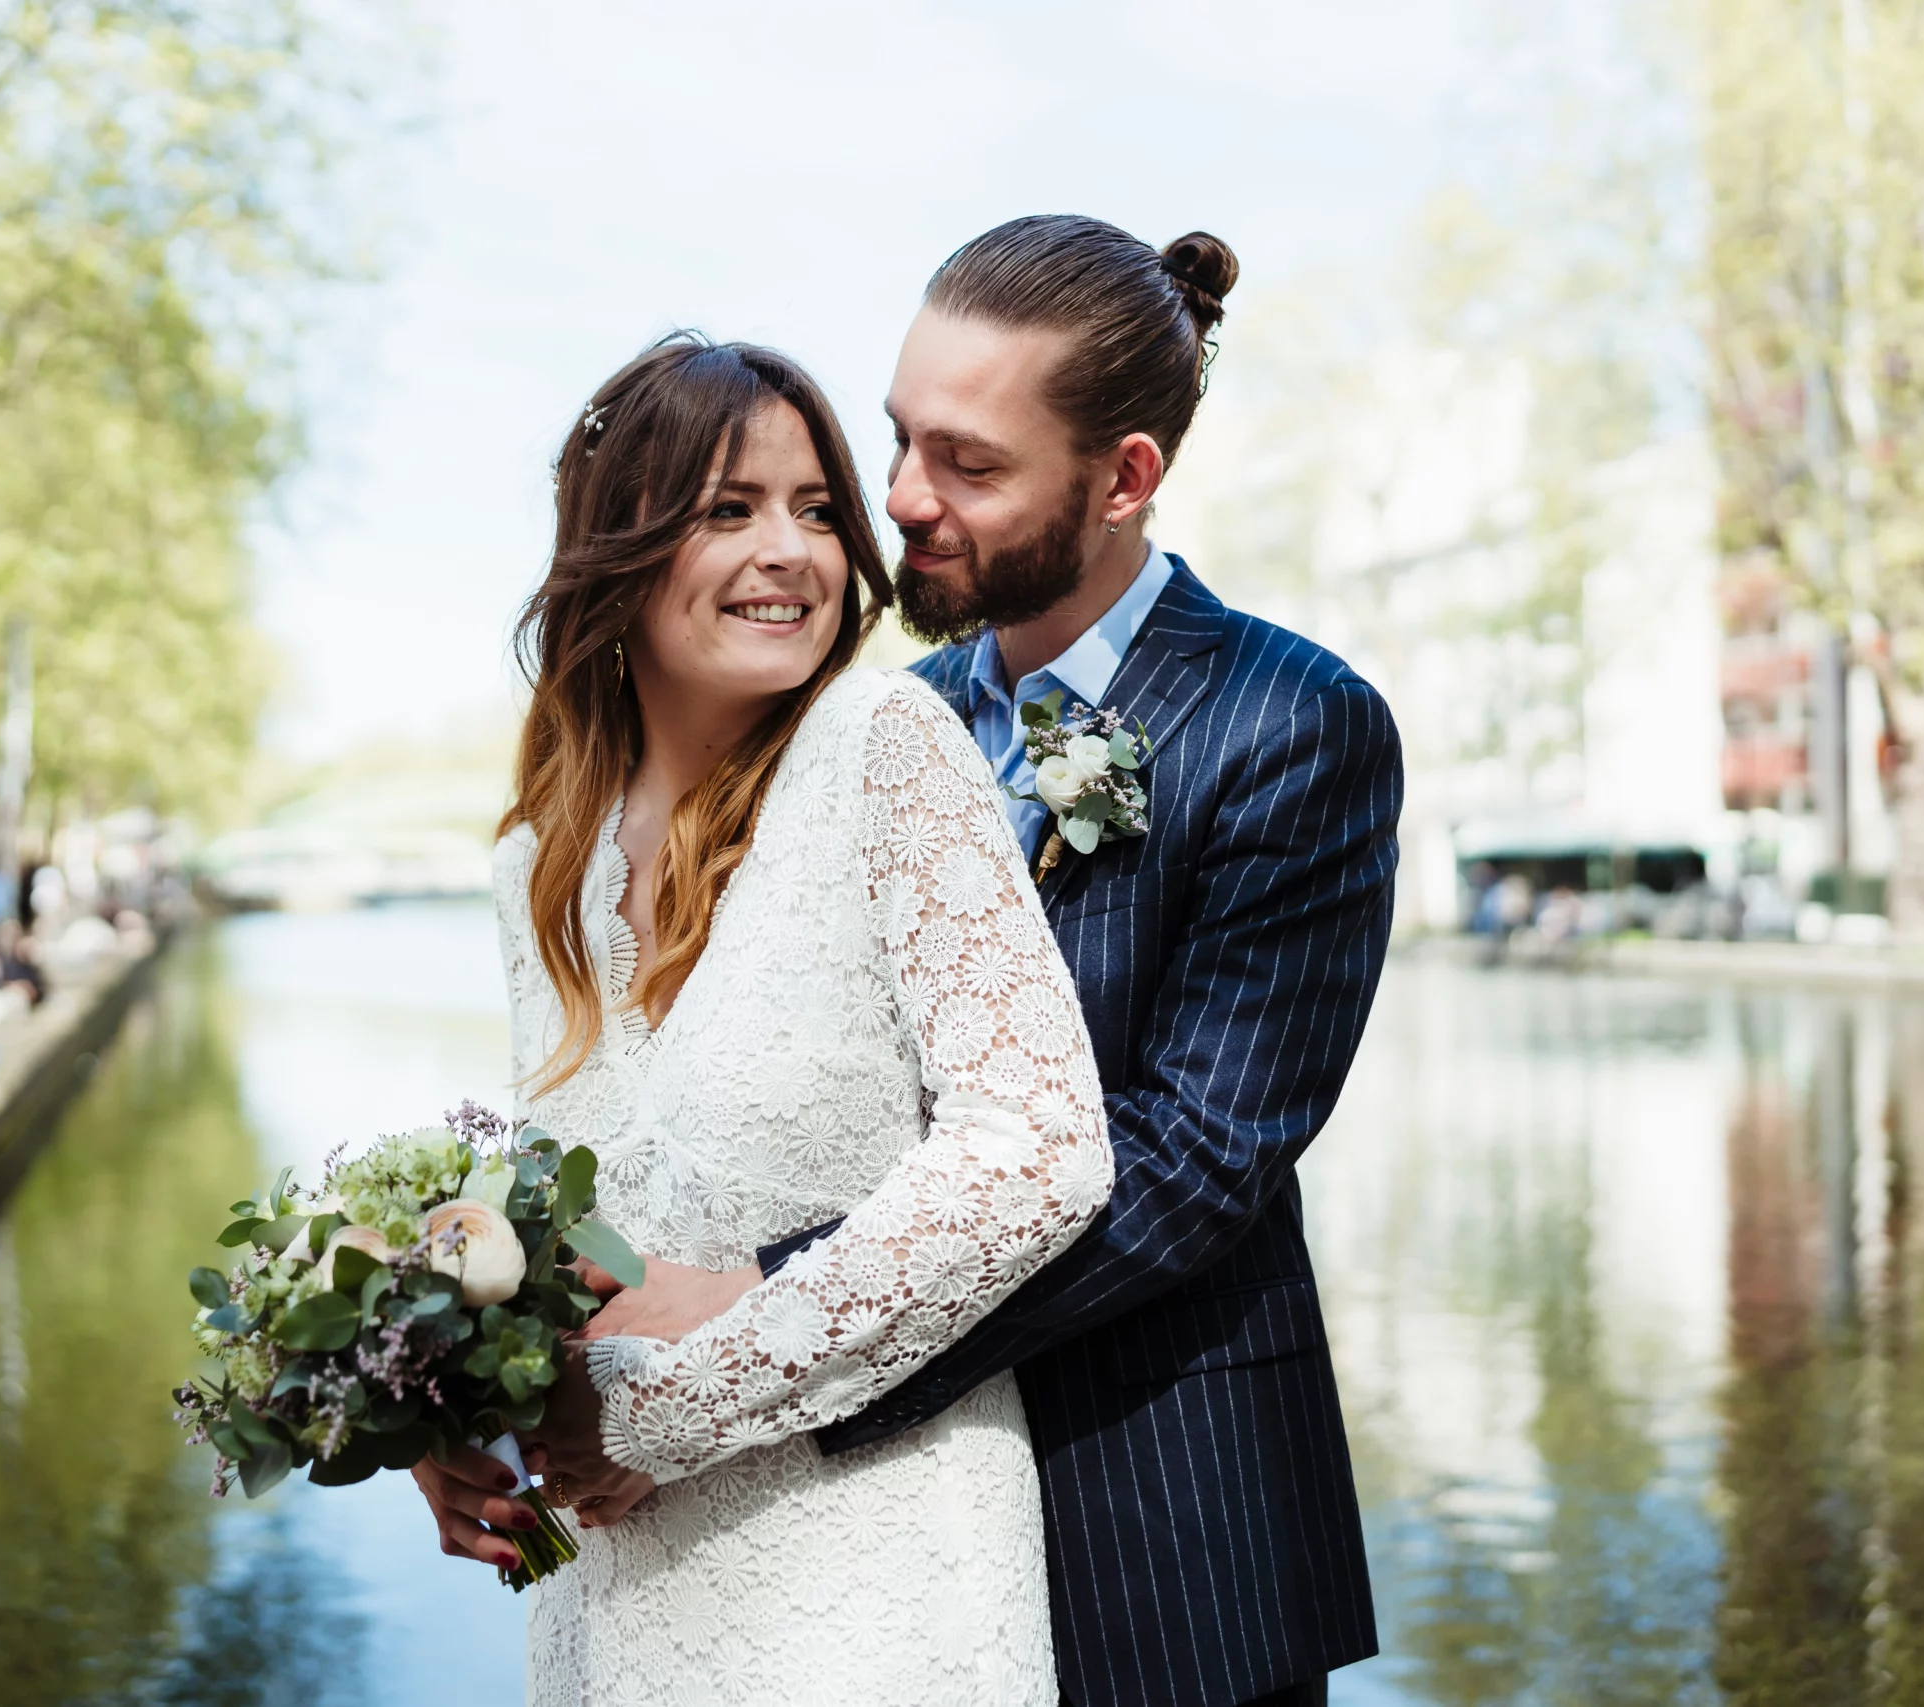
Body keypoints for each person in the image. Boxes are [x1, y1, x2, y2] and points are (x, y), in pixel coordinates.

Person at [425, 218, 1403, 1707]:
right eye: (896, 442)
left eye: (969, 463)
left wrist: (746, 1311)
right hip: (803, 1518)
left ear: (1124, 478)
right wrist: (475, 1377)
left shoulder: (1292, 721)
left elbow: (1198, 1153)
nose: (899, 504)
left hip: (1158, 1498)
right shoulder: (860, 721)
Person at [423, 334, 1112, 1705]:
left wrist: (672, 1406)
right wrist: (454, 1402)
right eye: (729, 508)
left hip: (877, 1580)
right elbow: (568, 1222)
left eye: (815, 509)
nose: (791, 551)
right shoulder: (535, 866)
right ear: (617, 548)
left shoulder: (886, 750)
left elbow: (1042, 1149)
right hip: (616, 1598)